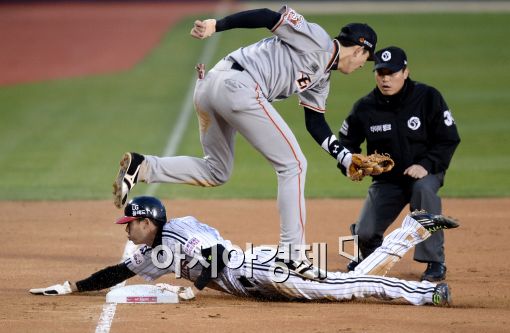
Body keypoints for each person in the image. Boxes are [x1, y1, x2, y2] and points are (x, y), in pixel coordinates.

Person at [113, 6, 379, 279]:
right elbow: (267, 16)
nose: (362, 66)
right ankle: (292, 256)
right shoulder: (318, 40)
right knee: (294, 165)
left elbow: (315, 123)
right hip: (238, 86)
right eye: (366, 60)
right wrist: (217, 25)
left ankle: (143, 167)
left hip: (210, 86)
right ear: (359, 49)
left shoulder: (322, 79)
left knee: (216, 171)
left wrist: (345, 157)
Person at [30, 195, 459, 306]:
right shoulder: (151, 251)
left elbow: (215, 258)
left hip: (260, 267)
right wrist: (73, 286)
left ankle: (423, 294)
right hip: (253, 283)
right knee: (343, 282)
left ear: (149, 221)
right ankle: (411, 230)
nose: (128, 231)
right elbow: (116, 272)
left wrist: (194, 285)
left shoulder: (179, 232)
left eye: (131, 224)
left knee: (343, 290)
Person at [338, 46, 461, 281]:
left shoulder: (428, 97)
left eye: (392, 73)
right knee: (365, 232)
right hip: (387, 181)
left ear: (405, 72)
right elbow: (346, 143)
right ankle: (370, 258)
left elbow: (449, 138)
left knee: (423, 191)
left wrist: (426, 164)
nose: (385, 79)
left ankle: (435, 262)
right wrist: (352, 164)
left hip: (424, 172)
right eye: (380, 73)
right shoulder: (365, 107)